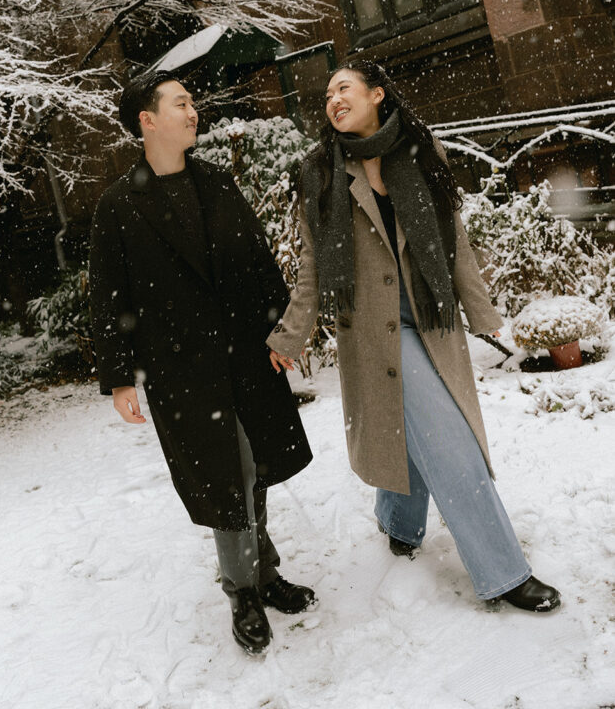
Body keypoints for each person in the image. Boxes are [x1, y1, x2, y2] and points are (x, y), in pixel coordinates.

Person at [267, 59, 560, 613]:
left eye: (344, 87)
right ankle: (504, 572)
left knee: (413, 424)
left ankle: (399, 522)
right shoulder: (320, 173)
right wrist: (292, 334)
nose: (333, 98)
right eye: (327, 92)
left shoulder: (423, 155)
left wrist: (480, 308)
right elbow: (312, 263)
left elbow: (455, 241)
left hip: (432, 316)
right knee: (452, 442)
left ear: (377, 94)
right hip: (374, 330)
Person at [89, 68, 316, 655]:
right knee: (226, 475)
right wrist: (118, 380)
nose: (193, 112)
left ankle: (261, 574)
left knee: (255, 465)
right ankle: (244, 588)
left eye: (192, 104)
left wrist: (284, 334)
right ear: (147, 119)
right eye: (181, 104)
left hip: (244, 353)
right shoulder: (118, 206)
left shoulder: (216, 181)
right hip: (181, 372)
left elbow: (259, 261)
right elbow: (109, 296)